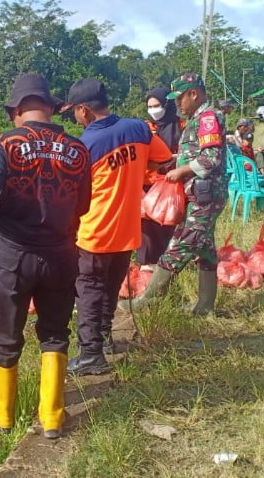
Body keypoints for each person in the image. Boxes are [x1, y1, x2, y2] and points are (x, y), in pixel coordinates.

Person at [0, 73, 91, 439]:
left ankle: (5, 413)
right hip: (61, 253)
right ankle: (52, 416)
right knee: (55, 333)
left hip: (15, 253)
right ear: (51, 108)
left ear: (19, 110)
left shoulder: (5, 144)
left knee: (7, 333)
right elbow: (84, 204)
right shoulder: (78, 149)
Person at [61, 78, 172, 375]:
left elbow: (71, 195)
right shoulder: (139, 129)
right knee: (110, 288)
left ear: (84, 110)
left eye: (74, 111)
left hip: (95, 233)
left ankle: (90, 355)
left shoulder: (84, 146)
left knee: (89, 292)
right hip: (128, 230)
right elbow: (162, 161)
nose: (74, 117)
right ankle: (105, 340)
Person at [137, 73, 228, 316]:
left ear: (194, 94)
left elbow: (211, 158)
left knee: (181, 243)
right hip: (200, 194)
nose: (177, 104)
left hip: (206, 195)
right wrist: (171, 162)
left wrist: (181, 171)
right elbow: (196, 152)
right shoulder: (197, 118)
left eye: (179, 98)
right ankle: (205, 307)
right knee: (205, 250)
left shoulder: (208, 118)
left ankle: (149, 299)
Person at [138, 87, 184, 270]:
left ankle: (168, 263)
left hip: (172, 182)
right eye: (150, 106)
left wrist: (170, 159)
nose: (153, 110)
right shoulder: (146, 127)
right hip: (148, 183)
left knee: (169, 220)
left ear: (167, 104)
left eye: (157, 105)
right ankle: (147, 264)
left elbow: (187, 153)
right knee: (147, 225)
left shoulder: (181, 126)